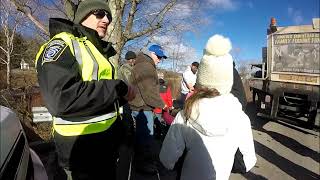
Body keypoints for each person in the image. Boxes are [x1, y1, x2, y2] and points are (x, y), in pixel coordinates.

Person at [35, 0, 136, 179]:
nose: (106, 19)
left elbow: (98, 96)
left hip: (106, 150)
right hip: (80, 157)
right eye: (99, 13)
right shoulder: (62, 43)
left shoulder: (97, 50)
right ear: (82, 16)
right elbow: (61, 99)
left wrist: (122, 100)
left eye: (109, 16)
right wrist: (119, 87)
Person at [159, 34, 256, 180]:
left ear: (201, 79)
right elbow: (246, 163)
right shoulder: (240, 118)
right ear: (228, 79)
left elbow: (167, 159)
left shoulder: (186, 114)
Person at [129, 44, 167, 174]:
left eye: (161, 57)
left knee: (141, 136)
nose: (159, 59)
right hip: (142, 107)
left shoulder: (143, 65)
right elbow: (149, 92)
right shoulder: (146, 67)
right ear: (151, 53)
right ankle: (143, 165)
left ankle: (141, 161)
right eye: (158, 56)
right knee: (146, 137)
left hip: (139, 106)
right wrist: (163, 105)